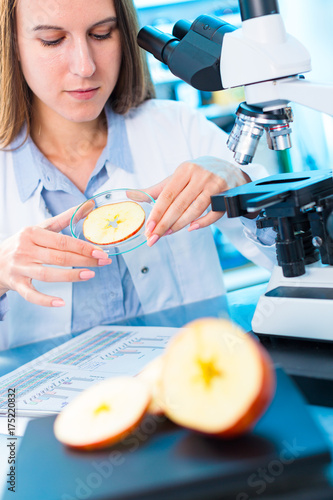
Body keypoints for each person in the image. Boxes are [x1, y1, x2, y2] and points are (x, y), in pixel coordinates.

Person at [0, 0, 275, 351]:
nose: (85, 67)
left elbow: (299, 262)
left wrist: (243, 187)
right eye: (53, 40)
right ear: (12, 46)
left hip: (195, 382)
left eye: (102, 34)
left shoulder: (179, 128)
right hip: (41, 405)